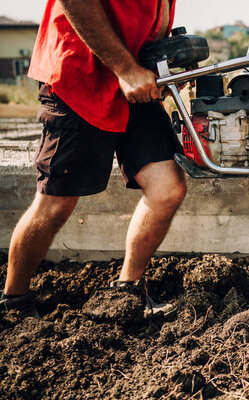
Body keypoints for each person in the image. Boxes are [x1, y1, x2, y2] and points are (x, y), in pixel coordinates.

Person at [0, 0, 186, 318]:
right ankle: (14, 302)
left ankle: (126, 293)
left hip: (132, 75)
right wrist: (125, 69)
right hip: (80, 74)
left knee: (167, 187)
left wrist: (162, 65)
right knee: (56, 202)